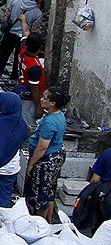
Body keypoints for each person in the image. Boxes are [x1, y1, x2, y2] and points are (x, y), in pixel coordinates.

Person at [25, 89, 69, 222]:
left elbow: (42, 146)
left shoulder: (50, 122)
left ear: (53, 103)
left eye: (45, 98)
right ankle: (48, 220)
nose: (41, 100)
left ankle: (40, 224)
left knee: (40, 195)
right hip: (56, 155)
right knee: (48, 190)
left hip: (46, 161)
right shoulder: (58, 115)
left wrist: (31, 163)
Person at [0, 0, 47, 81]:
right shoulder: (37, 13)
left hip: (10, 32)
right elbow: (35, 29)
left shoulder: (16, 0)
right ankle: (15, 75)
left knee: (3, 52)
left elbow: (7, 14)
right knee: (19, 56)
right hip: (23, 36)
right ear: (41, 0)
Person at [14, 31, 45, 126]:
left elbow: (25, 32)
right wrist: (38, 107)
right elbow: (34, 90)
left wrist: (23, 20)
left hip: (21, 90)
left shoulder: (23, 51)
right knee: (28, 124)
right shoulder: (34, 67)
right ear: (39, 49)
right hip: (29, 100)